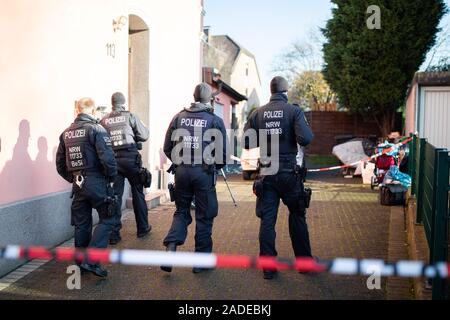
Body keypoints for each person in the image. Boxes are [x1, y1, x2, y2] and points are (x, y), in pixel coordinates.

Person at [243, 76, 314, 280]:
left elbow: (247, 143)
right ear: (285, 90)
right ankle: (305, 263)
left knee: (267, 221)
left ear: (271, 90)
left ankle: (268, 268)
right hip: (289, 173)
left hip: (267, 172)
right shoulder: (294, 111)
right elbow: (306, 139)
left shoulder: (258, 113)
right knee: (297, 214)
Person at [161, 83, 228, 274]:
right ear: (210, 99)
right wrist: (214, 167)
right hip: (204, 173)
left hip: (181, 172)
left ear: (194, 96)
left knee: (182, 211)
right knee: (204, 216)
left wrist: (179, 162)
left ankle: (171, 247)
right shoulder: (214, 120)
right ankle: (200, 262)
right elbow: (223, 155)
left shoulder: (179, 117)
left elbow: (167, 147)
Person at [56, 97, 118, 277]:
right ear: (92, 111)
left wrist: (73, 178)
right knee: (109, 219)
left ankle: (81, 263)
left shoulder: (66, 133)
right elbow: (108, 159)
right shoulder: (97, 129)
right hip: (97, 181)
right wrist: (111, 177)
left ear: (77, 110)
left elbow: (59, 164)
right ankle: (91, 261)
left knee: (82, 224)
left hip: (78, 184)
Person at [100, 92, 151, 244]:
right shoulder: (130, 116)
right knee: (137, 192)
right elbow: (144, 135)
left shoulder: (104, 121)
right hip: (131, 159)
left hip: (113, 161)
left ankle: (114, 235)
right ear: (123, 102)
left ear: (112, 103)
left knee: (115, 196)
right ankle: (143, 228)